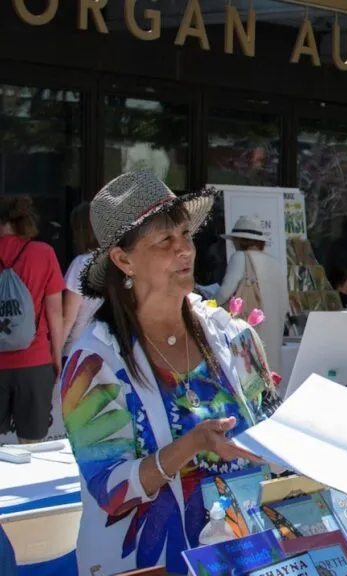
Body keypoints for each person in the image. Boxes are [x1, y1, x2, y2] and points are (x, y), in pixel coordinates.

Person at [63, 172, 277, 575]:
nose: (185, 250)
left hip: (243, 557)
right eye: (165, 241)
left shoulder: (234, 336)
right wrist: (191, 444)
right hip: (147, 567)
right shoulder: (92, 362)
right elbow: (111, 490)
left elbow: (273, 438)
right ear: (123, 260)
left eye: (185, 234)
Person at [0, 196, 64, 444]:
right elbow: (55, 312)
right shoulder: (43, 253)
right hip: (35, 361)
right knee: (33, 447)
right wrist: (55, 356)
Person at [215, 215, 288, 374]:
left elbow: (225, 292)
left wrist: (207, 303)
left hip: (250, 332)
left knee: (247, 378)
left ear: (239, 240)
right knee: (268, 379)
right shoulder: (277, 264)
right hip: (273, 336)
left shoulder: (240, 257)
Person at [62, 202, 103, 359]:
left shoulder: (81, 264)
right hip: (107, 350)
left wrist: (55, 353)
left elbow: (68, 318)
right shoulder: (118, 262)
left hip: (77, 349)